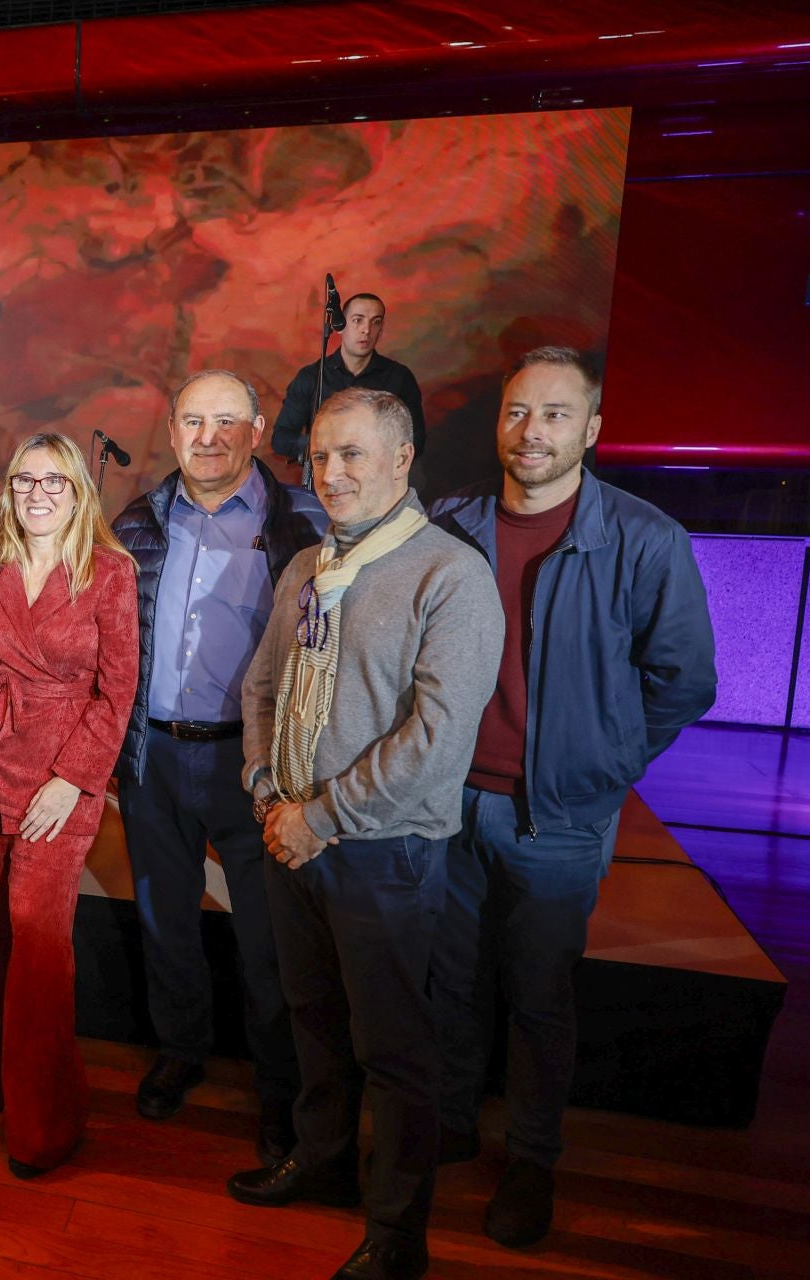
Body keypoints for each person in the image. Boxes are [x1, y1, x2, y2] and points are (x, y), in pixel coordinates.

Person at [428, 347, 716, 1249]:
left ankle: (531, 1162)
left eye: (555, 414)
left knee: (540, 999)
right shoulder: (453, 523)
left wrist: (604, 761)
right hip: (447, 807)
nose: (532, 430)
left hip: (555, 818)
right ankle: (449, 1128)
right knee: (453, 986)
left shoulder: (645, 538)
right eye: (519, 412)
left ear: (590, 430)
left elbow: (686, 680)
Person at [228, 388, 502, 1280]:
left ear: (400, 459)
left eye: (351, 455)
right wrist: (269, 792)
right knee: (312, 1017)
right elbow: (261, 687)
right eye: (318, 457)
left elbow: (436, 741)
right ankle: (323, 1158)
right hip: (290, 836)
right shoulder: (306, 567)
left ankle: (396, 1232)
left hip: (383, 852)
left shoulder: (450, 576)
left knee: (393, 1047)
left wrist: (320, 817)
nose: (330, 473)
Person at [108, 370, 327, 1160]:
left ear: (259, 430)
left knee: (268, 941)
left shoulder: (301, 522)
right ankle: (181, 1052)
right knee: (167, 922)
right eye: (193, 422)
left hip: (254, 761)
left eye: (226, 422)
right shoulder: (136, 523)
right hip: (154, 756)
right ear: (171, 431)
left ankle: (279, 1088)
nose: (208, 438)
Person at [0, 432, 138, 1176]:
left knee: (35, 935)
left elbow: (117, 688)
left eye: (53, 482)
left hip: (61, 776)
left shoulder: (109, 572)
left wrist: (77, 777)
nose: (37, 494)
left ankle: (44, 1122)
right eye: (25, 480)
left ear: (78, 493)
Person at [270, 294, 425, 464]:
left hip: (378, 482)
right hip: (325, 481)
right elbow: (281, 439)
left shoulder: (400, 377)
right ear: (340, 325)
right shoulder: (312, 377)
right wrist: (327, 445)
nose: (367, 329)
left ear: (381, 330)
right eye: (358, 320)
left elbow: (416, 440)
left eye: (376, 322)